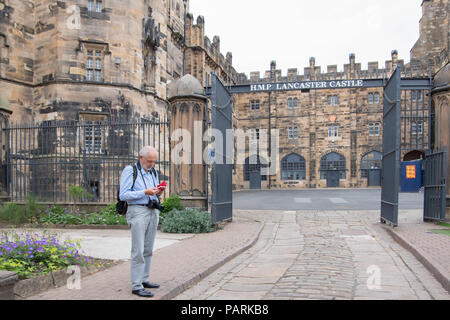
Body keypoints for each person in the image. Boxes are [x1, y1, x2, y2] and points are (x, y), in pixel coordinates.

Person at [119, 146, 164, 298]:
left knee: (148, 249)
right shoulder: (130, 171)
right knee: (138, 250)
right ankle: (136, 286)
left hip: (152, 210)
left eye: (154, 161)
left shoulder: (153, 172)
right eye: (149, 161)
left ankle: (144, 279)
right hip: (137, 211)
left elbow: (153, 190)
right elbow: (123, 194)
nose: (152, 164)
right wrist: (145, 192)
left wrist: (158, 192)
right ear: (140, 158)